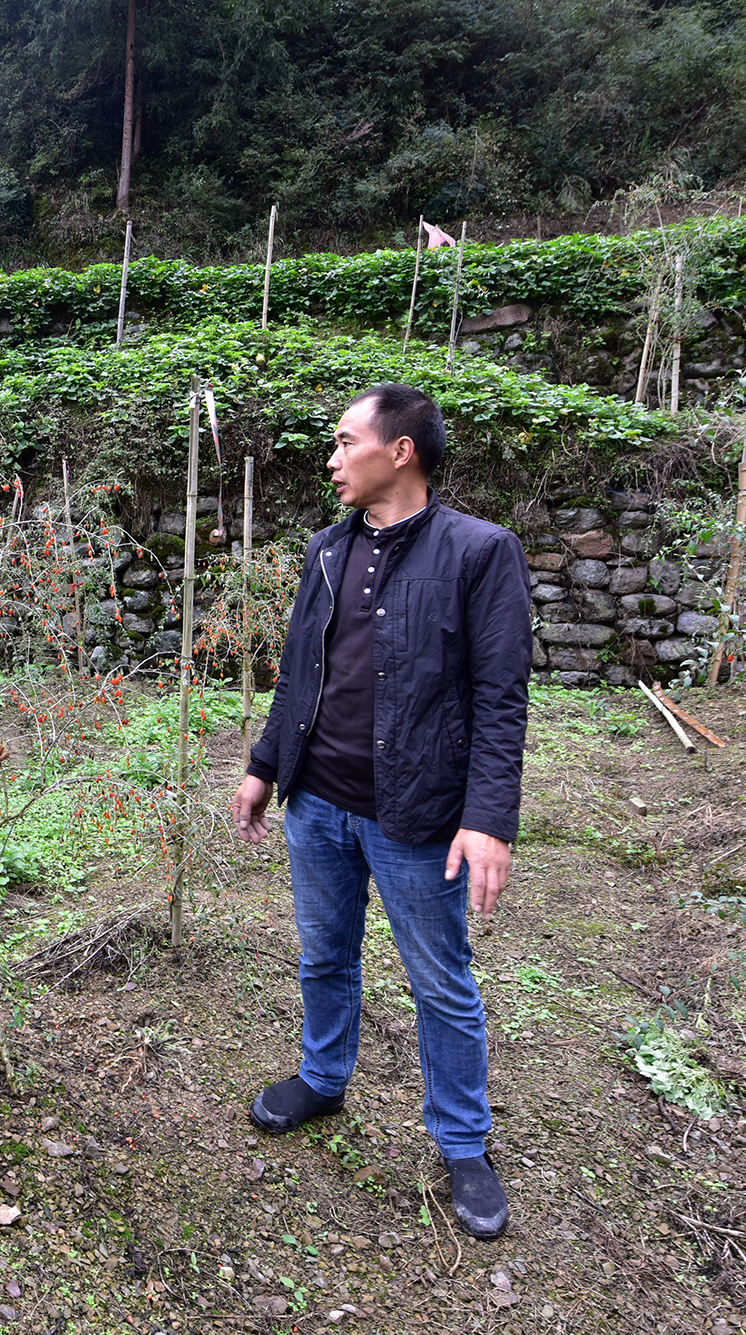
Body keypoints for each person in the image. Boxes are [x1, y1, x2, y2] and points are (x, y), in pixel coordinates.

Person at [230, 383, 531, 1239]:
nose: (331, 459)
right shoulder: (327, 550)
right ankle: (323, 1079)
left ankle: (463, 1142)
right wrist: (262, 765)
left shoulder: (480, 552)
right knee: (325, 956)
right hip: (317, 801)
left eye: (343, 442)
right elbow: (298, 672)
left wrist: (489, 817)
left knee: (441, 982)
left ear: (400, 450)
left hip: (418, 814)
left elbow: (501, 698)